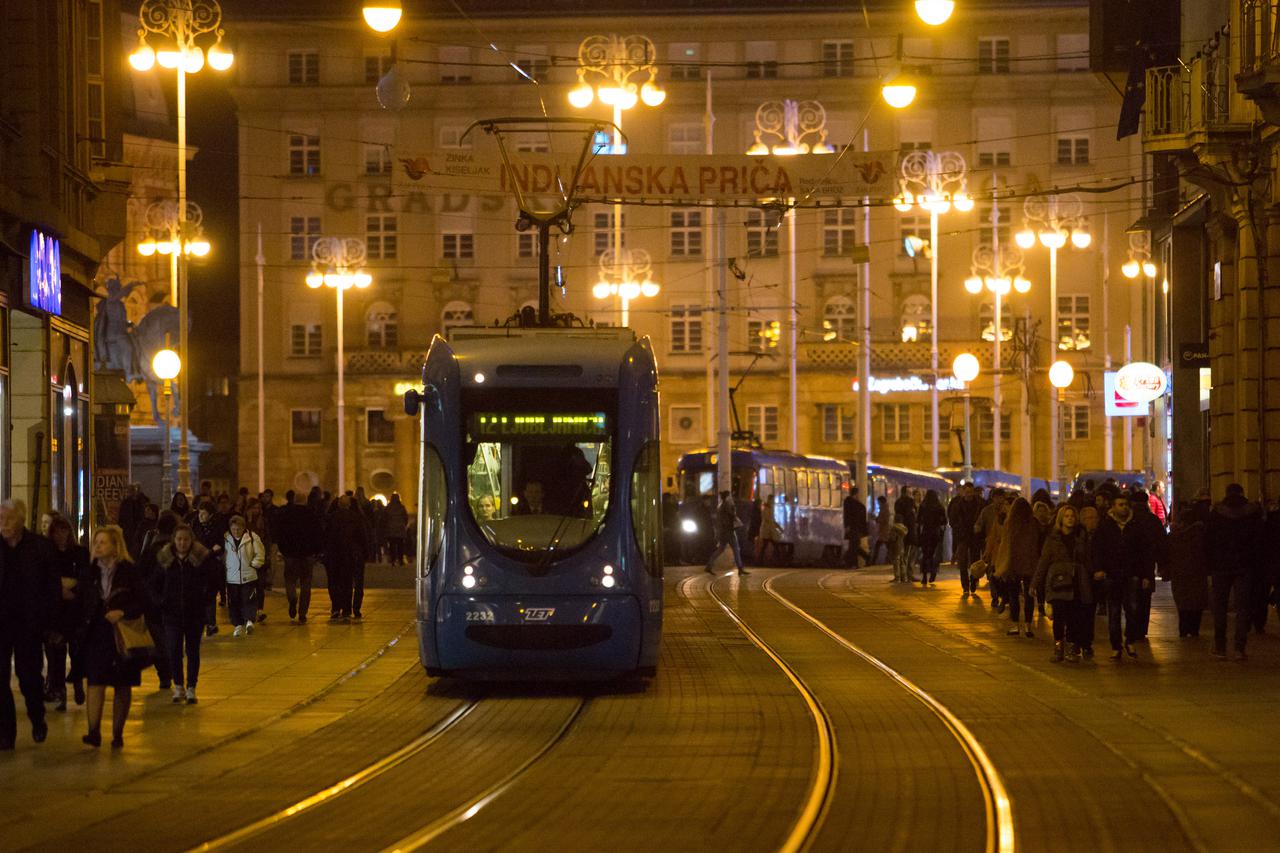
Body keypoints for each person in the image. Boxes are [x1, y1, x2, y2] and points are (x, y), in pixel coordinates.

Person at [79, 525, 145, 749]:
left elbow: (143, 601)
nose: (97, 546)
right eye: (96, 543)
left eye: (103, 542)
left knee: (122, 683)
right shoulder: (89, 571)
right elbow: (81, 601)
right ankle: (93, 731)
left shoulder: (129, 571)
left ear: (115, 546)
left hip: (121, 635)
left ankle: (118, 733)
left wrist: (123, 612)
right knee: (95, 681)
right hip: (96, 633)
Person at [0, 499, 58, 749]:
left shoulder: (40, 547)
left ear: (21, 520)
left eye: (9, 519)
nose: (4, 524)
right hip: (1, 623)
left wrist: (51, 624)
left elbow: (52, 589)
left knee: (28, 676)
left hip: (28, 624)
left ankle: (37, 717)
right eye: (0, 519)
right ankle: (6, 732)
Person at [151, 524, 218, 704]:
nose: (182, 543)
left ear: (191, 540)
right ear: (174, 540)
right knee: (173, 649)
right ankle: (178, 685)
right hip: (171, 614)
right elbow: (154, 584)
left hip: (194, 613)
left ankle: (191, 687)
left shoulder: (201, 558)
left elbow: (213, 579)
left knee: (192, 650)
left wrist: (205, 599)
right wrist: (161, 602)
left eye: (186, 539)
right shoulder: (165, 559)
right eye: (179, 539)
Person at [1205, 483, 1263, 659]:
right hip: (1245, 566)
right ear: (1242, 493)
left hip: (1220, 566)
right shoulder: (1252, 513)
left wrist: (1209, 564)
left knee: (1220, 607)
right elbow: (1259, 542)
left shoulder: (1216, 513)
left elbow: (1208, 541)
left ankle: (1220, 647)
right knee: (1242, 608)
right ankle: (1239, 648)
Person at [1033, 505, 1093, 662]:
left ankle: (1071, 648)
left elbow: (1087, 559)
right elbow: (1043, 561)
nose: (1070, 519)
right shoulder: (1052, 539)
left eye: (1072, 516)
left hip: (1076, 581)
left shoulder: (1080, 538)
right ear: (1061, 519)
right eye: (1066, 516)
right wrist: (1035, 583)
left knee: (1074, 616)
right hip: (1058, 582)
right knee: (1059, 616)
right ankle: (1058, 647)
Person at [1091, 492, 1145, 660]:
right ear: (1113, 507)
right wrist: (1099, 568)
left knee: (1133, 609)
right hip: (1112, 574)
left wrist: (1145, 574)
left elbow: (1144, 552)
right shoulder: (1106, 526)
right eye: (1120, 505)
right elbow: (1097, 549)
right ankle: (1116, 646)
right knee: (1114, 612)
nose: (1124, 508)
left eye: (1126, 504)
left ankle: (1130, 640)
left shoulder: (1135, 525)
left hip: (1131, 574)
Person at [44, 513, 89, 711]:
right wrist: (58, 590)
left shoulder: (80, 553)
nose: (60, 536)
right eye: (56, 532)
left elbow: (86, 578)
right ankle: (60, 692)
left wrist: (74, 591)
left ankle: (77, 682)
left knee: (76, 650)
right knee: (57, 653)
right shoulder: (48, 555)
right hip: (55, 610)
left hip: (75, 609)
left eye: (63, 531)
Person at [134, 510, 177, 693]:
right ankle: (169, 671)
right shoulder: (177, 550)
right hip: (173, 602)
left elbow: (139, 575)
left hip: (153, 602)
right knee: (170, 637)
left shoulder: (151, 550)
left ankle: (165, 674)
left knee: (158, 638)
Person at [995, 497, 1041, 637]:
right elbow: (1038, 543)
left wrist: (1002, 563)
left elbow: (1005, 545)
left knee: (1013, 595)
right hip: (1030, 563)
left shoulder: (1010, 523)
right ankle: (1028, 626)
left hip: (1013, 564)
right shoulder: (1034, 522)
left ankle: (1015, 625)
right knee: (1029, 595)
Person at [276, 490, 321, 623]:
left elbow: (280, 534)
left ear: (294, 500)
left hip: (290, 554)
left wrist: (283, 551)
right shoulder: (312, 515)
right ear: (305, 501)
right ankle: (302, 613)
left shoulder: (286, 515)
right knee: (306, 583)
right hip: (307, 555)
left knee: (290, 580)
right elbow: (318, 535)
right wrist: (316, 552)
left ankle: (292, 598)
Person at [1129, 488, 1168, 639]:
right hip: (1147, 565)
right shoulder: (1153, 520)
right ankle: (1141, 629)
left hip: (1130, 565)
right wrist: (1162, 564)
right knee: (1145, 598)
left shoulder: (1130, 520)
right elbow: (1162, 543)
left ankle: (1132, 628)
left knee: (1131, 597)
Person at [1166, 503, 1209, 638]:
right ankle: (1194, 629)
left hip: (1179, 573)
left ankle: (1184, 628)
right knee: (1197, 601)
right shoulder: (1202, 535)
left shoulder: (1174, 536)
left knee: (1182, 601)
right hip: (1198, 572)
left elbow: (1167, 554)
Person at [326, 495, 370, 622]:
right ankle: (347, 609)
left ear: (339, 504)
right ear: (349, 505)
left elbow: (327, 536)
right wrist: (365, 552)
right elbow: (362, 536)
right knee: (348, 582)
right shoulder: (356, 518)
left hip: (335, 553)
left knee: (334, 581)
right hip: (351, 553)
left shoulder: (332, 517)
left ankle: (336, 607)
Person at [223, 514, 265, 636]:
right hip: (232, 577)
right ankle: (238, 625)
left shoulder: (252, 537)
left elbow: (260, 553)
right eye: (233, 529)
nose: (236, 531)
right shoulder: (226, 538)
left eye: (238, 529)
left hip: (249, 576)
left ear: (243, 528)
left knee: (249, 598)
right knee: (234, 602)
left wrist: (254, 565)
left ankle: (249, 620)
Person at [191, 500, 226, 636]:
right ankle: (202, 621)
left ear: (210, 515)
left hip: (212, 567)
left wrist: (211, 552)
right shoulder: (194, 525)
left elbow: (220, 546)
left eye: (204, 513)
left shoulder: (217, 527)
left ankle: (211, 623)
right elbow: (194, 546)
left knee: (210, 595)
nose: (200, 516)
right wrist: (210, 551)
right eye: (200, 513)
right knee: (199, 595)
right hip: (197, 565)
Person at [948, 482, 983, 598]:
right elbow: (952, 520)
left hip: (975, 537)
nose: (969, 494)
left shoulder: (979, 504)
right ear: (963, 492)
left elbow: (983, 518)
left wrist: (979, 528)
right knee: (962, 562)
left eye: (970, 492)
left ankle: (973, 581)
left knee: (975, 561)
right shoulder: (957, 505)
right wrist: (959, 529)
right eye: (967, 492)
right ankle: (965, 586)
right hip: (962, 537)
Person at [704, 491, 748, 577]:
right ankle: (740, 568)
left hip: (723, 531)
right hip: (729, 531)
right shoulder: (727, 505)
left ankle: (709, 565)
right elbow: (732, 515)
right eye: (730, 496)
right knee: (736, 549)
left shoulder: (720, 505)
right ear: (727, 497)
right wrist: (734, 509)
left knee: (721, 549)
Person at [916, 490, 947, 586]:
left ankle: (924, 576)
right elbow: (944, 521)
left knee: (925, 555)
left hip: (925, 533)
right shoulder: (939, 507)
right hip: (935, 533)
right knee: (932, 554)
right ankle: (933, 571)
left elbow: (918, 520)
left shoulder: (923, 506)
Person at [893, 489, 918, 582]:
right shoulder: (910, 503)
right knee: (909, 555)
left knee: (899, 555)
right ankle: (908, 575)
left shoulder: (898, 503)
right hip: (910, 533)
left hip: (900, 533)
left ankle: (900, 575)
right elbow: (914, 519)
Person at [842, 487, 870, 568]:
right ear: (856, 494)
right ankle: (856, 562)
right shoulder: (859, 505)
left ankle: (852, 563)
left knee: (853, 546)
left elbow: (846, 515)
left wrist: (847, 526)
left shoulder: (848, 503)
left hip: (852, 528)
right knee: (854, 546)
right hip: (856, 528)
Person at [757, 494, 784, 566]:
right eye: (772, 500)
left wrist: (779, 527)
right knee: (774, 546)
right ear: (769, 500)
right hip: (767, 531)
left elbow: (771, 520)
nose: (773, 501)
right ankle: (777, 561)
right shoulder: (766, 508)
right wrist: (778, 528)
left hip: (769, 531)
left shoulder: (769, 508)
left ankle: (761, 561)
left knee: (766, 546)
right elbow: (769, 520)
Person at [384, 493, 410, 566]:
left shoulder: (388, 507)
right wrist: (404, 525)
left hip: (391, 529)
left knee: (392, 545)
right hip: (400, 529)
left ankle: (393, 560)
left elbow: (385, 518)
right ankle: (400, 560)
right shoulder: (401, 507)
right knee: (400, 545)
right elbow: (405, 517)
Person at [871, 496, 893, 565]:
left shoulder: (884, 509)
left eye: (878, 502)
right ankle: (889, 559)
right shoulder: (883, 508)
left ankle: (873, 561)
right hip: (883, 531)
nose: (878, 503)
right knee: (887, 546)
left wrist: (877, 519)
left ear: (881, 502)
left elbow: (885, 520)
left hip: (884, 531)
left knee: (879, 545)